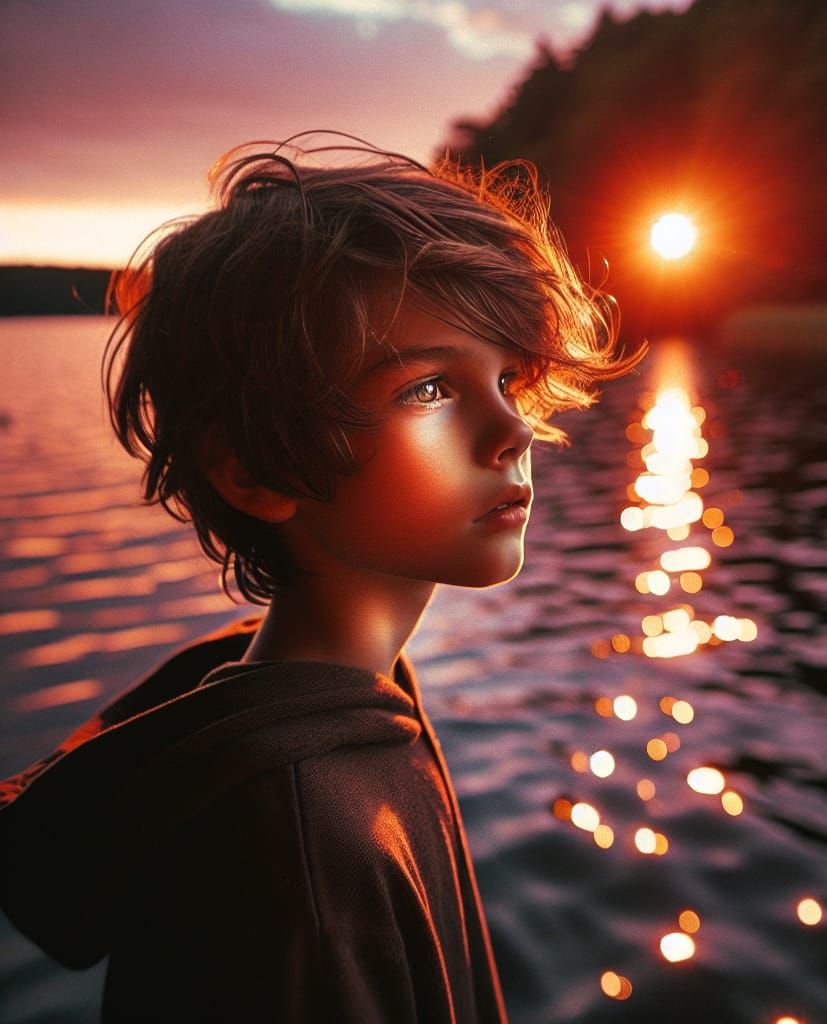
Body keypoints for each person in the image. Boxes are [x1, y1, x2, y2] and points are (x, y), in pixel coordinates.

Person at [0, 132, 645, 1022]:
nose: (514, 431)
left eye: (507, 377)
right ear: (252, 471)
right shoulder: (295, 852)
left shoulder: (347, 705)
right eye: (428, 389)